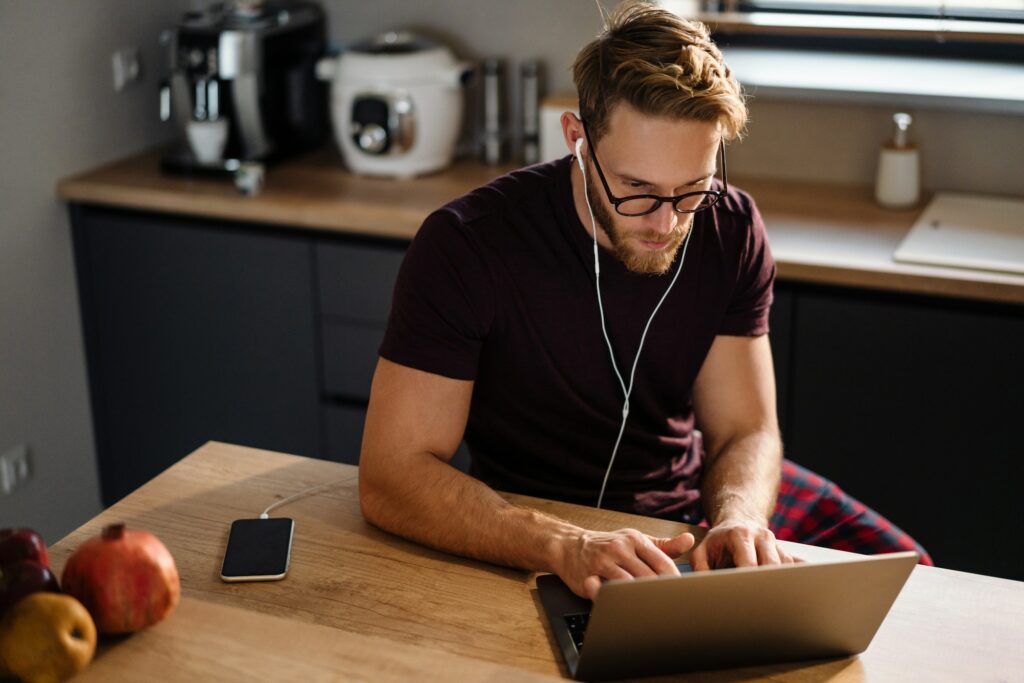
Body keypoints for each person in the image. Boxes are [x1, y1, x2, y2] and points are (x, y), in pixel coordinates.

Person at [358, 0, 929, 600]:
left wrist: (739, 516)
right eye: (637, 189)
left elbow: (745, 429)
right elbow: (391, 476)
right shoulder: (466, 246)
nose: (665, 222)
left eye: (692, 190)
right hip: (531, 527)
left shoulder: (729, 229)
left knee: (914, 585)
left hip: (689, 517)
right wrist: (562, 543)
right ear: (576, 137)